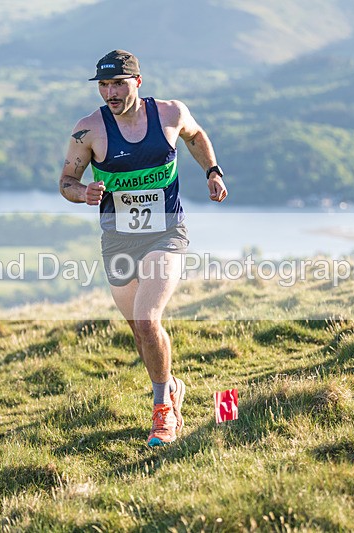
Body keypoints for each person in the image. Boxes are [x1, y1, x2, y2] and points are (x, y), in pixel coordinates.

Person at [59, 50, 228, 446]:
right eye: (103, 85)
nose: (110, 93)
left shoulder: (169, 114)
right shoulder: (89, 131)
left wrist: (212, 171)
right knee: (139, 329)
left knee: (148, 318)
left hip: (165, 232)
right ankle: (170, 386)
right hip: (117, 238)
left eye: (118, 83)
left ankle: (162, 414)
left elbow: (196, 135)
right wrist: (83, 192)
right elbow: (66, 180)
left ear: (138, 82)